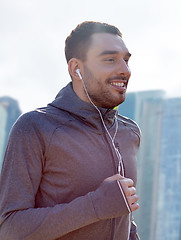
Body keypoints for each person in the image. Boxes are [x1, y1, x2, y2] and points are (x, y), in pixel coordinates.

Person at [0, 21, 141, 239]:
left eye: (126, 60)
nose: (124, 70)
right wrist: (95, 205)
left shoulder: (129, 132)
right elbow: (9, 229)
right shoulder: (35, 127)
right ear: (77, 69)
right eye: (110, 59)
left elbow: (123, 218)